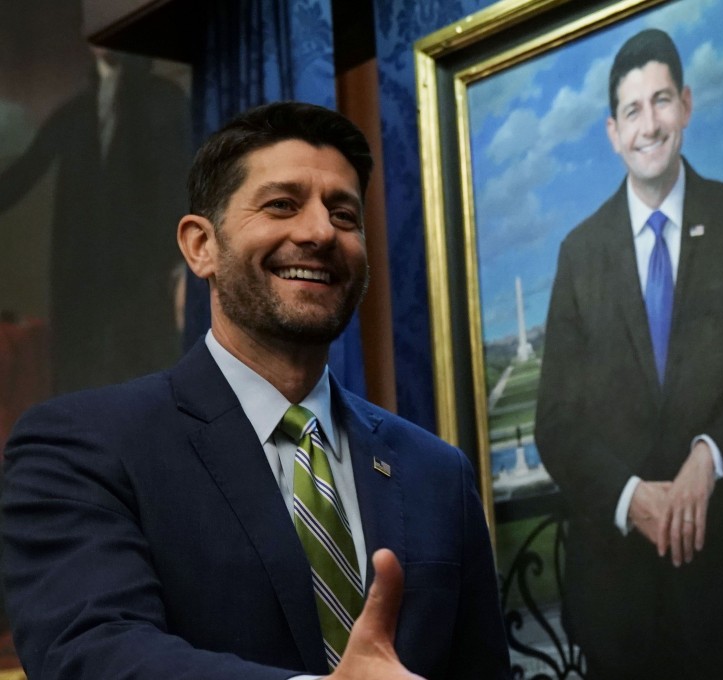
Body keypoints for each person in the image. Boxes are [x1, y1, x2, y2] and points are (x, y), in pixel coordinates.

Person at [1, 101, 511, 679]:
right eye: (281, 205)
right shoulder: (81, 448)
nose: (319, 232)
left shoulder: (436, 473)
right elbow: (92, 654)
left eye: (344, 215)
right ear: (201, 246)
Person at [534, 29, 723, 679]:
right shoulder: (579, 253)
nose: (649, 125)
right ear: (611, 130)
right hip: (611, 597)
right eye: (633, 110)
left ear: (686, 105)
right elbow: (556, 425)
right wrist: (635, 498)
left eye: (661, 101)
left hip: (709, 581)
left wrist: (707, 459)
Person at [0, 47, 189, 394]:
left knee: (143, 374)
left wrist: (180, 264)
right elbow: (24, 172)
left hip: (146, 274)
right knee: (85, 376)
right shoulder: (76, 111)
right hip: (83, 275)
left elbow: (182, 184)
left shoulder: (165, 100)